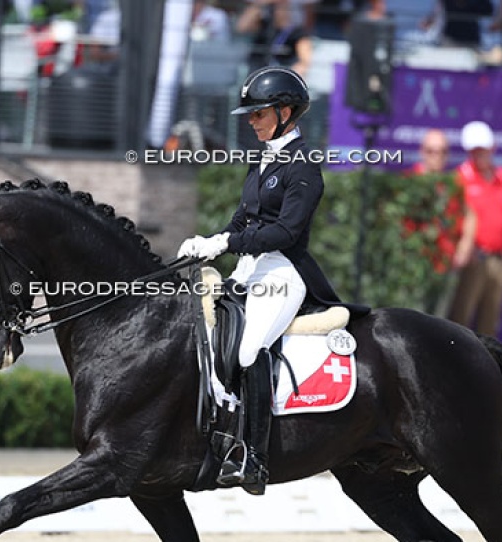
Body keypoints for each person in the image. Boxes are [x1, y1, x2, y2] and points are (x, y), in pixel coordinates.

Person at [177, 66, 367, 496]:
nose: (251, 120)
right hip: (250, 268)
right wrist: (210, 241)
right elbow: (245, 217)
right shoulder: (262, 159)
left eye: (258, 113)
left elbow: (285, 232)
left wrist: (226, 241)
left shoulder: (303, 168)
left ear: (285, 112)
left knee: (248, 349)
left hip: (283, 270)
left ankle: (254, 456)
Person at [447, 120, 502, 336]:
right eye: (475, 150)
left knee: (491, 319)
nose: (480, 154)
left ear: (492, 147)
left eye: (483, 149)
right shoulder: (459, 177)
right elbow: (452, 219)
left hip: (498, 258)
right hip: (473, 258)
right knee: (461, 318)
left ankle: (486, 368)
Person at [408, 129, 477, 317]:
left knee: (440, 320)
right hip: (416, 264)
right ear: (422, 151)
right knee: (414, 317)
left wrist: (465, 246)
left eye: (442, 151)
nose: (437, 156)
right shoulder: (409, 181)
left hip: (446, 263)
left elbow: (470, 214)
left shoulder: (454, 182)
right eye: (431, 151)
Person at [236, 0, 312, 77]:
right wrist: (260, 4)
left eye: (283, 6)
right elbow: (241, 28)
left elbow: (305, 60)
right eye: (275, 7)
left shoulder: (297, 33)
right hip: (256, 73)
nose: (279, 11)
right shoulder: (263, 26)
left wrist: (291, 74)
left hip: (281, 76)